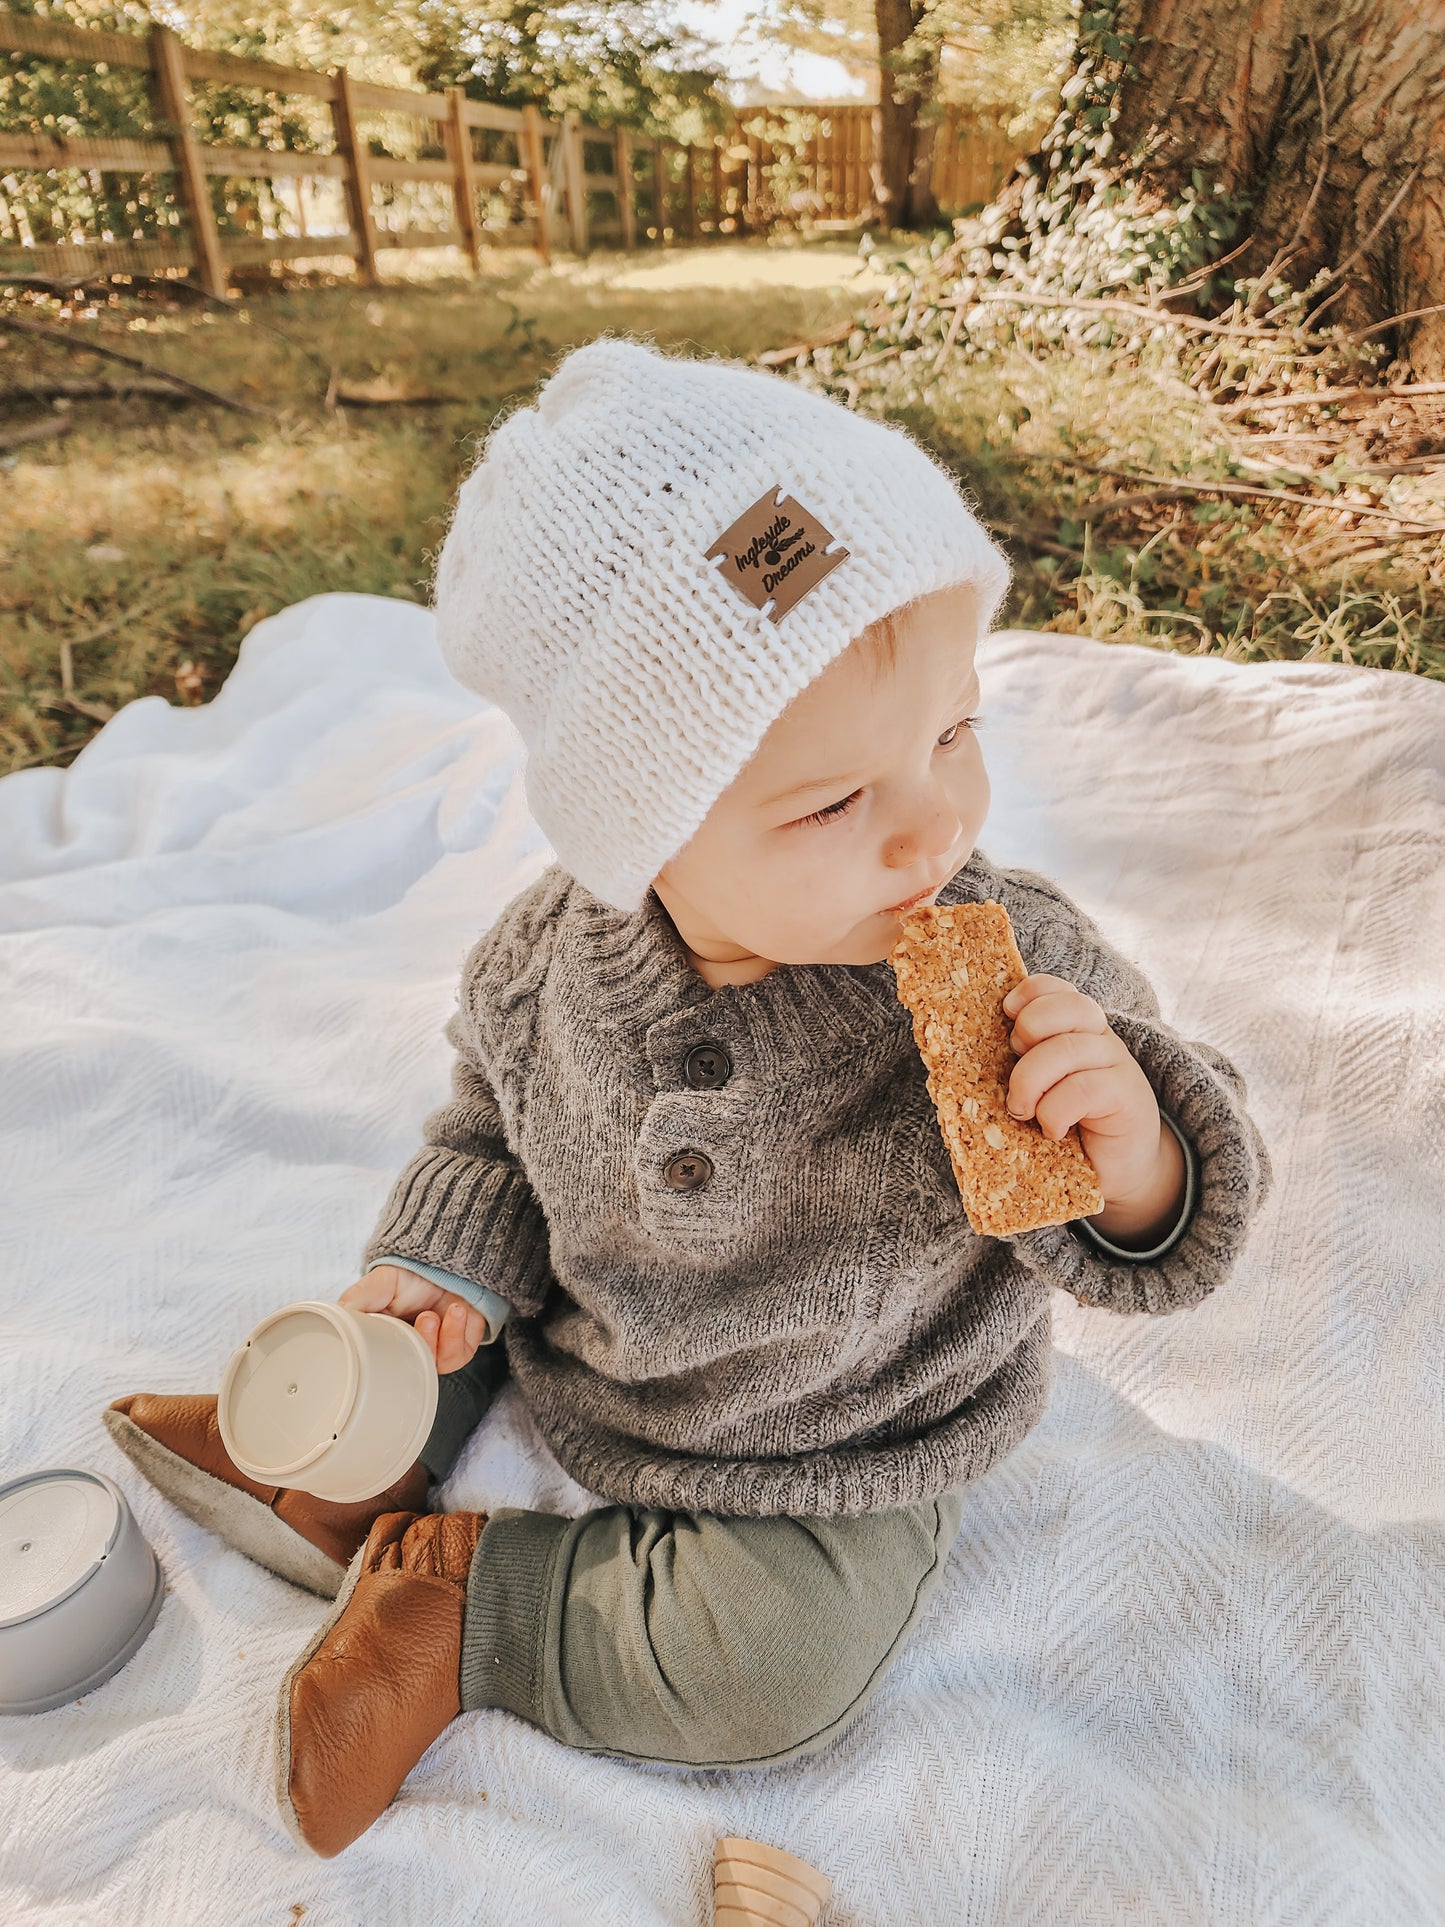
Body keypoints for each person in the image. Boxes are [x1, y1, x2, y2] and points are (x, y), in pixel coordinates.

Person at [104, 335, 1273, 1859]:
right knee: (424, 1330)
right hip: (588, 1352)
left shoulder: (1013, 962)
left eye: (953, 731)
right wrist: (441, 1272)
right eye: (837, 800)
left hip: (854, 1434)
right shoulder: (544, 968)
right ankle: (351, 1451)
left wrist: (1133, 1158)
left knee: (766, 1672)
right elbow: (489, 1134)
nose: (932, 829)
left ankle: (468, 1607)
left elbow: (1144, 1217)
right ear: (640, 834)